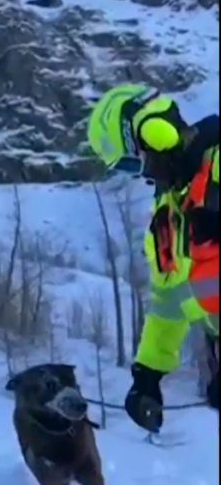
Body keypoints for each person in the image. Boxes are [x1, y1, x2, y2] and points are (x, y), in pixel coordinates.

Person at [87, 84, 219, 432]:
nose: (142, 174)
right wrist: (147, 375)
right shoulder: (167, 217)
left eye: (135, 161)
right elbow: (169, 302)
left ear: (154, 133)